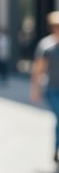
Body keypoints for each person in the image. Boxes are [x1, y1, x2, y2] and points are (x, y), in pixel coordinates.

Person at [31, 11, 59, 162]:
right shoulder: (47, 46)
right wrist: (35, 89)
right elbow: (38, 69)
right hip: (53, 89)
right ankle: (56, 149)